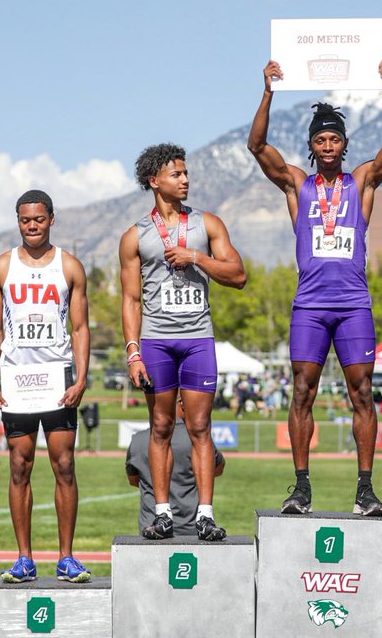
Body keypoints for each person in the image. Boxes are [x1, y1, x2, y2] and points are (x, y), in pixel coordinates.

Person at [248, 52, 382, 516]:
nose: (328, 146)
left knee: (362, 393)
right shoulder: (297, 185)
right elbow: (258, 147)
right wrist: (268, 91)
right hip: (310, 306)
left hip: (354, 304)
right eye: (320, 139)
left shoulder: (362, 181)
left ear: (343, 144)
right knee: (303, 391)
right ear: (311, 146)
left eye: (335, 138)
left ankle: (365, 489)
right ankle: (301, 486)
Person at [120, 143, 246, 540]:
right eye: (177, 174)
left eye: (186, 173)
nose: (185, 179)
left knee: (200, 427)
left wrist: (196, 258)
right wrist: (133, 351)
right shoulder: (135, 236)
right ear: (154, 181)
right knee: (159, 426)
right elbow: (130, 299)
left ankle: (205, 515)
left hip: (197, 340)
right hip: (157, 341)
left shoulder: (207, 224)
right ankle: (162, 514)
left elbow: (238, 275)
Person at [0, 190, 91, 583]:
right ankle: (24, 558)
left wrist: (81, 377)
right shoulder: (0, 267)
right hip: (17, 380)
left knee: (64, 465)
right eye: (25, 219)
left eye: (39, 219)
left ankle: (66, 557)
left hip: (58, 377)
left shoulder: (70, 267)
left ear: (51, 219)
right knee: (18, 466)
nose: (32, 225)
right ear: (18, 220)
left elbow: (79, 328)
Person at [126, 396, 226, 536]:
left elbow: (133, 480)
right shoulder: (199, 443)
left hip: (151, 527)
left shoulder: (138, 439)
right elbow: (218, 469)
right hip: (192, 528)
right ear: (182, 403)